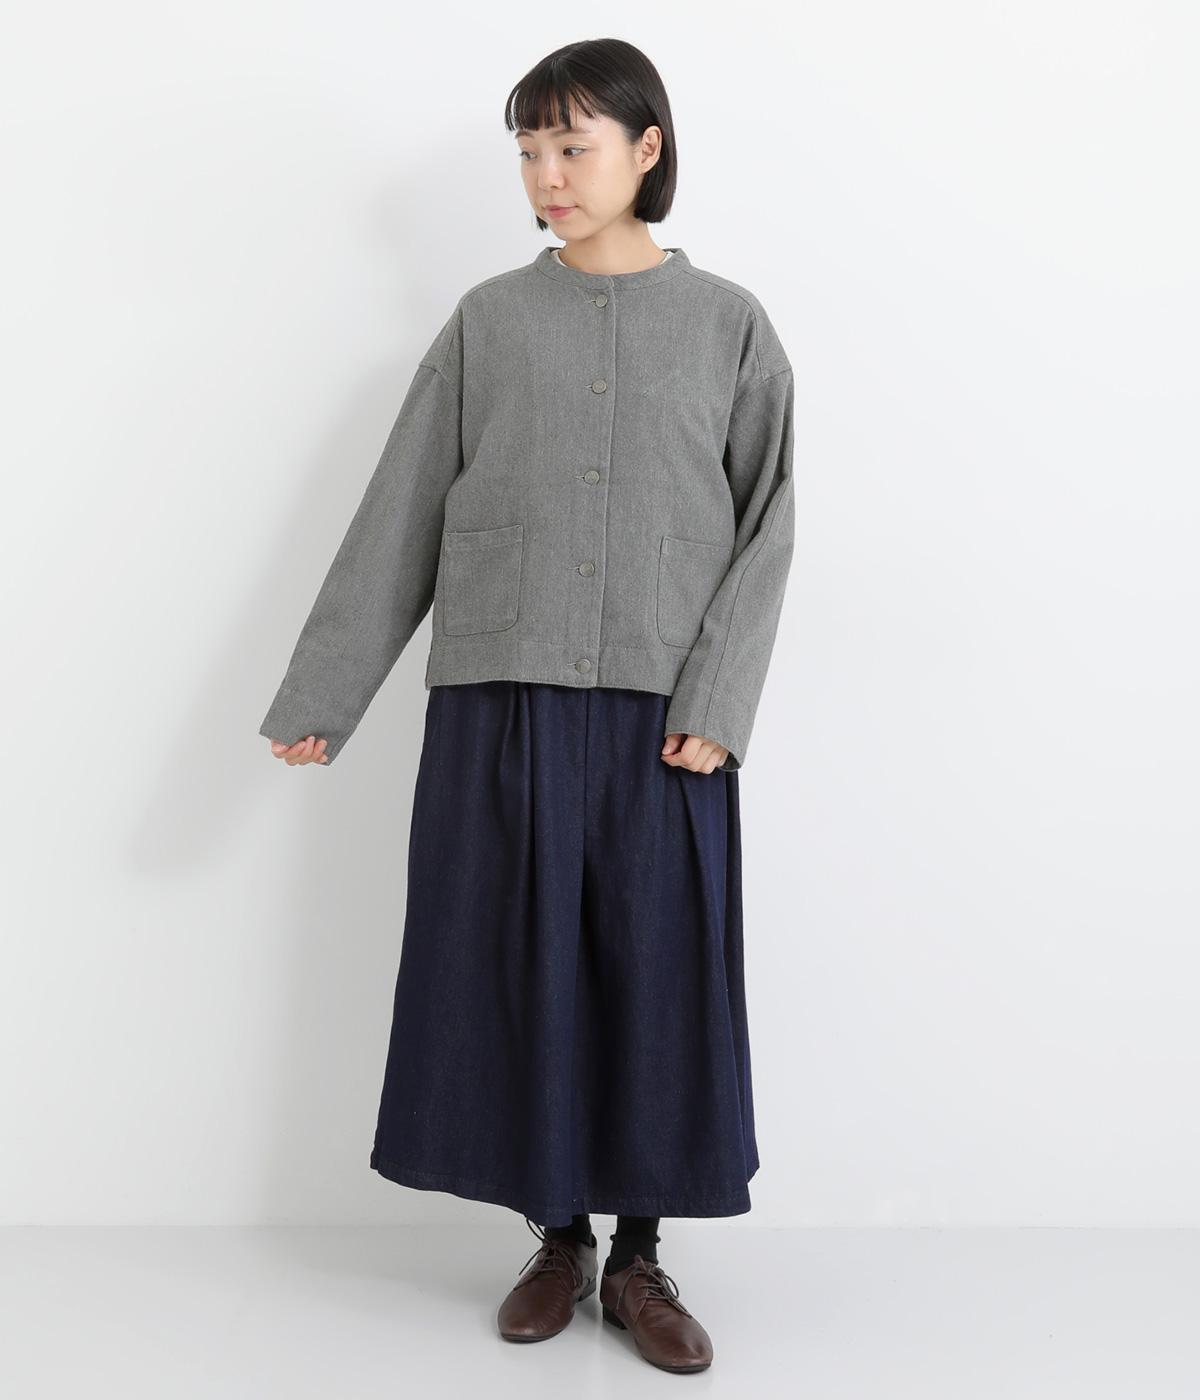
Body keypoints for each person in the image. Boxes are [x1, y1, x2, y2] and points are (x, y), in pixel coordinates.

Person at [259, 38, 795, 1375]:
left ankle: (642, 1255)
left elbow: (769, 526)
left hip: (665, 718)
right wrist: (327, 690)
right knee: (518, 967)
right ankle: (556, 1238)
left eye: (574, 146)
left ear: (646, 150)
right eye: (530, 151)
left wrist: (721, 699)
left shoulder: (729, 325)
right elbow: (403, 508)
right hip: (501, 700)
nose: (549, 175)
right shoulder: (487, 322)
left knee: (654, 973)